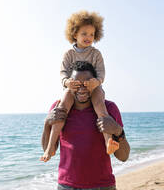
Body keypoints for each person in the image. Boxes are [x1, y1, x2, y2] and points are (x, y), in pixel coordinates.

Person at [41, 10, 119, 162]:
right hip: (73, 88)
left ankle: (107, 142)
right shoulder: (68, 54)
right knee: (62, 108)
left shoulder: (96, 54)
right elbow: (63, 73)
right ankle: (50, 147)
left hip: (93, 88)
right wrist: (66, 82)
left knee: (100, 107)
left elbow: (101, 73)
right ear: (74, 34)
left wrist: (96, 82)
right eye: (84, 33)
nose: (88, 37)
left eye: (91, 34)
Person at [41, 61, 130, 190]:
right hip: (66, 186)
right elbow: (48, 150)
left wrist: (118, 131)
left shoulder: (109, 108)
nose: (82, 88)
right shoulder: (59, 109)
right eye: (77, 84)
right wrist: (46, 124)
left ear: (95, 84)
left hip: (103, 186)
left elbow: (123, 157)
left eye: (87, 83)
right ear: (69, 84)